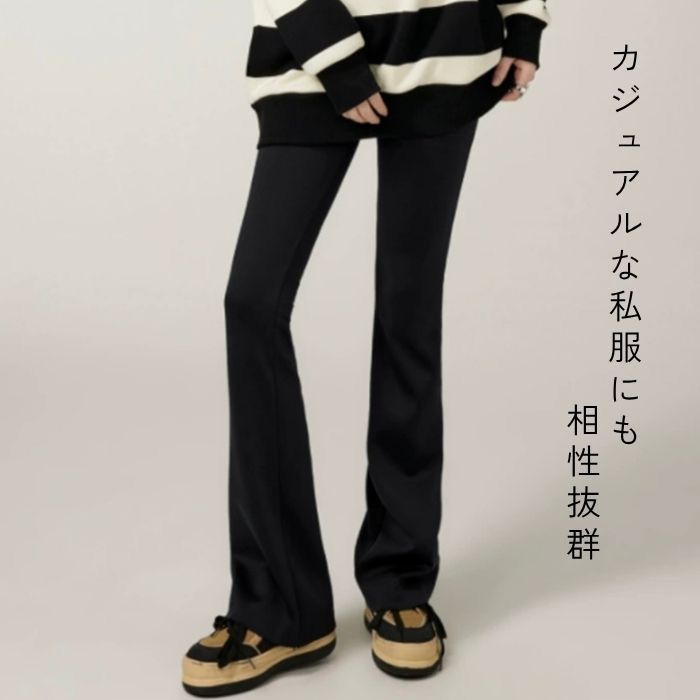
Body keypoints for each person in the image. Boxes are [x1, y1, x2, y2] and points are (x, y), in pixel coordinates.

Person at [182, 0, 551, 695]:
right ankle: (281, 605)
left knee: (410, 311)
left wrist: (523, 18)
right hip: (313, 54)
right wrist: (335, 57)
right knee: (252, 303)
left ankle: (400, 580)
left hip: (444, 47)